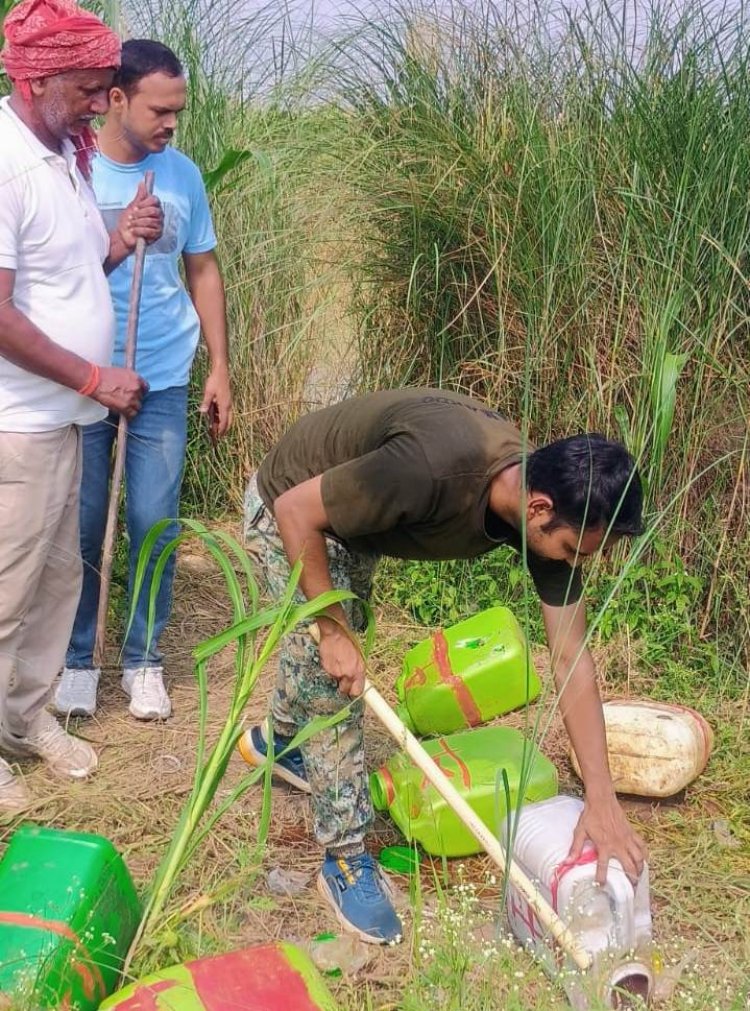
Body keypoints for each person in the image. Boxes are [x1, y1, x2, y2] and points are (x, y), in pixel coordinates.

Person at [242, 387, 648, 944]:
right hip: (288, 507)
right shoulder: (434, 469)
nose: (575, 563)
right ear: (539, 510)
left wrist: (602, 798)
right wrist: (332, 629)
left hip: (350, 521)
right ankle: (345, 859)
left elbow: (570, 659)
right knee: (330, 675)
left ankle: (280, 743)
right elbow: (296, 512)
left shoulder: (550, 508)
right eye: (575, 551)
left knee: (323, 657)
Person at [0, 0, 161, 815]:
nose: (104, 103)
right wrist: (94, 378)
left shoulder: (62, 151)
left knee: (56, 580)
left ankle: (24, 722)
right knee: (4, 587)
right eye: (92, 88)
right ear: (39, 77)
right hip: (18, 423)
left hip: (63, 418)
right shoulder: (3, 162)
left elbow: (62, 276)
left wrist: (117, 239)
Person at [54, 39, 232, 723]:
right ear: (118, 99)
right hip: (87, 375)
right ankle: (77, 658)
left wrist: (219, 365)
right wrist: (119, 236)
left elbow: (204, 269)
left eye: (178, 112)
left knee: (153, 522)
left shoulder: (181, 175)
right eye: (160, 110)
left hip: (161, 372)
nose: (170, 125)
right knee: (83, 521)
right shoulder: (74, 173)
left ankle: (143, 660)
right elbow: (52, 282)